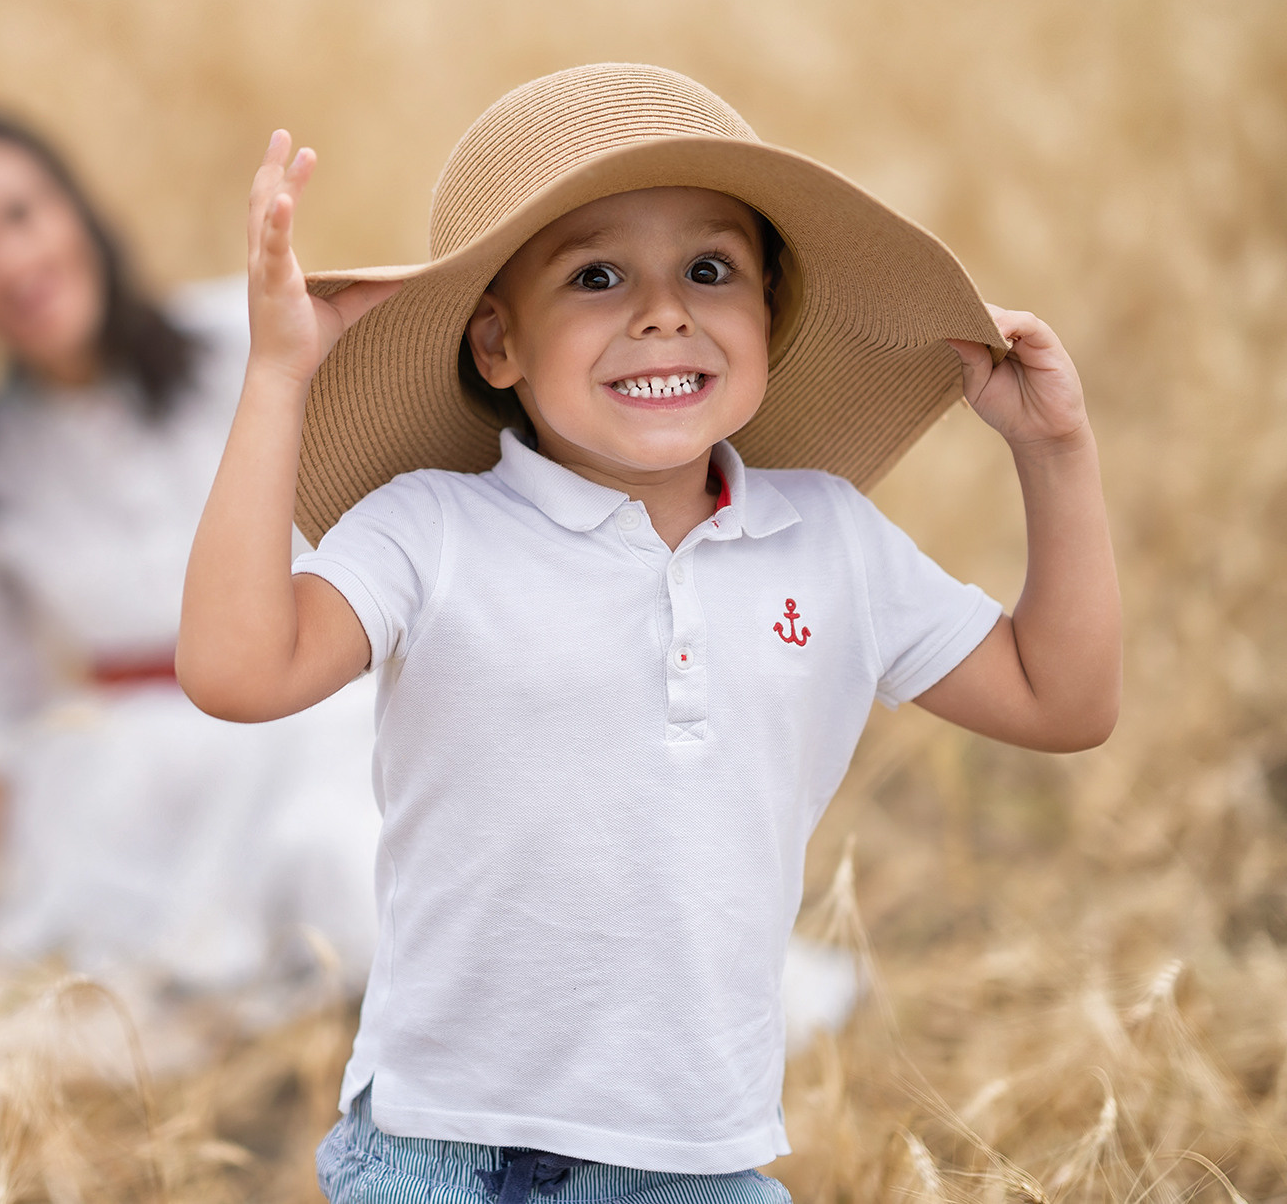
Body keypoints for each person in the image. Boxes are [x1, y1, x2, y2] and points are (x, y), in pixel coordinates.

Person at [178, 64, 1120, 1201]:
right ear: (496, 346)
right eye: (595, 275)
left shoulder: (828, 540)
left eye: (710, 270)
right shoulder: (432, 530)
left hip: (698, 1160)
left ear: (768, 316)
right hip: (445, 1149)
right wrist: (279, 375)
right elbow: (236, 671)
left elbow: (1060, 701)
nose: (662, 310)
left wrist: (1052, 453)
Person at [0, 106, 380, 1007]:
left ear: (74, 210)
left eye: (21, 215)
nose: (9, 264)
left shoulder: (244, 334)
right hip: (142, 791)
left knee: (351, 866)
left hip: (320, 715)